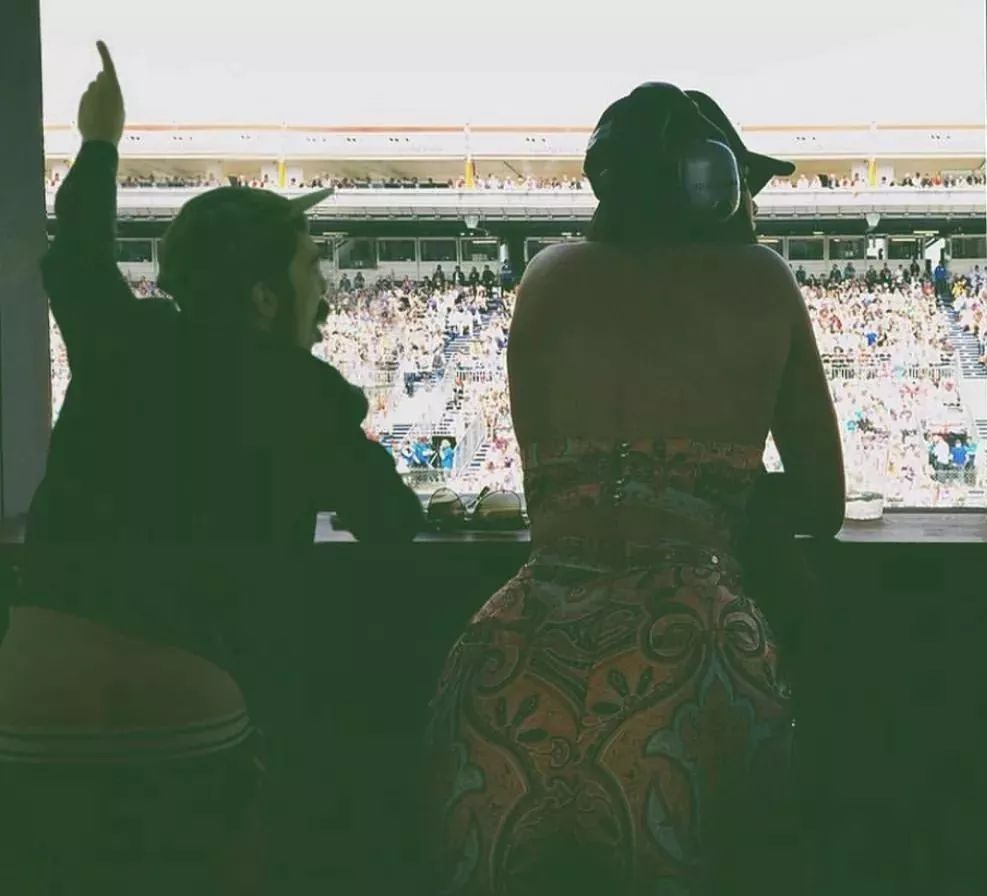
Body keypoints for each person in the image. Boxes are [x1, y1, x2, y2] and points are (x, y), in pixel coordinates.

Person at [0, 42, 422, 895]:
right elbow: (393, 522)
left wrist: (99, 141)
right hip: (182, 705)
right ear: (264, 296)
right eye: (311, 271)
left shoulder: (120, 338)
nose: (326, 295)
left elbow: (74, 257)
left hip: (26, 691)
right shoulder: (302, 391)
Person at [422, 82, 844, 896]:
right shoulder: (760, 278)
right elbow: (823, 505)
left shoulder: (545, 275)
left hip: (511, 656)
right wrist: (712, 494)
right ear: (712, 184)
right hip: (692, 652)